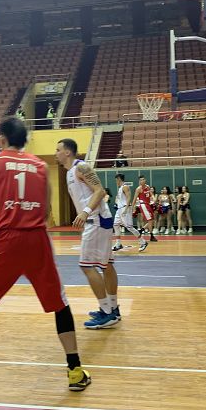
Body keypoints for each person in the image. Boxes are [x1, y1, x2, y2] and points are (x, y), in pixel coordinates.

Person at [0, 117, 91, 392]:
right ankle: (75, 370)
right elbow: (46, 210)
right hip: (38, 240)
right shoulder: (42, 166)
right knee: (60, 303)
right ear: (25, 140)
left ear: (1, 139)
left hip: (7, 238)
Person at [55, 138, 120, 329]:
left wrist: (85, 212)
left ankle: (106, 312)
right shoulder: (69, 173)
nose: (55, 153)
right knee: (106, 265)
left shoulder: (81, 167)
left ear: (67, 152)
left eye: (58, 149)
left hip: (97, 219)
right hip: (99, 220)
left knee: (86, 266)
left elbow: (99, 191)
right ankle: (113, 309)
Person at [112, 174, 147, 252]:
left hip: (125, 208)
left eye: (116, 180)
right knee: (116, 225)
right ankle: (118, 244)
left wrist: (126, 208)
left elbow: (129, 197)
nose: (116, 182)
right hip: (119, 209)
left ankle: (143, 242)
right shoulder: (120, 188)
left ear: (119, 179)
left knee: (129, 227)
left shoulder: (125, 187)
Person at [132, 176, 158, 243]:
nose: (142, 181)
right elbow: (134, 199)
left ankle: (141, 230)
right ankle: (151, 236)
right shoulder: (138, 189)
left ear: (145, 180)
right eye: (141, 180)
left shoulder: (147, 187)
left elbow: (151, 194)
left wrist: (154, 198)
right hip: (143, 205)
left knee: (151, 220)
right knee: (150, 220)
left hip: (148, 204)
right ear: (139, 182)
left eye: (143, 179)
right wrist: (132, 208)